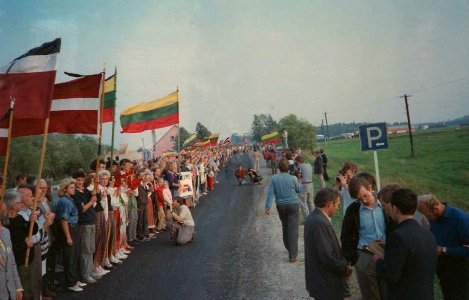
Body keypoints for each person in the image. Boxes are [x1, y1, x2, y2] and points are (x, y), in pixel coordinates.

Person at [372, 188, 437, 300]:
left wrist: (377, 261)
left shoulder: (399, 236)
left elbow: (391, 274)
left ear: (395, 208)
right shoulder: (428, 234)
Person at [341, 175, 387, 300]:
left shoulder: (386, 205)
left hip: (387, 254)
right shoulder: (353, 210)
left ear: (370, 187)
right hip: (364, 256)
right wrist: (354, 259)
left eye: (365, 195)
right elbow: (345, 236)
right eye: (360, 199)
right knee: (370, 294)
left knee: (388, 291)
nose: (364, 201)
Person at [417, 195, 469, 300]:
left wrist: (444, 249)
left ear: (436, 209)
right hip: (444, 271)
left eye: (427, 215)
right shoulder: (433, 218)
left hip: (461, 273)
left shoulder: (460, 219)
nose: (426, 219)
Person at [304, 188, 352, 300]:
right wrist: (344, 267)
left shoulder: (313, 217)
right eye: (337, 204)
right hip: (326, 284)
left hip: (321, 282)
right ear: (329, 204)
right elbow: (327, 256)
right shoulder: (320, 223)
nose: (338, 207)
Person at [265, 158, 302, 262]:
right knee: (293, 229)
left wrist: (267, 207)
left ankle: (289, 247)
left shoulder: (274, 178)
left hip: (281, 206)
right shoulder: (293, 178)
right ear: (288, 168)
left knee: (285, 226)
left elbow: (270, 193)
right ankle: (293, 255)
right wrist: (299, 179)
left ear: (279, 168)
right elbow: (299, 189)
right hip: (293, 205)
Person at [2, 193, 25, 300]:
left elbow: (11, 262)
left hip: (10, 291)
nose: (5, 209)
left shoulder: (6, 232)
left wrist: (18, 287)